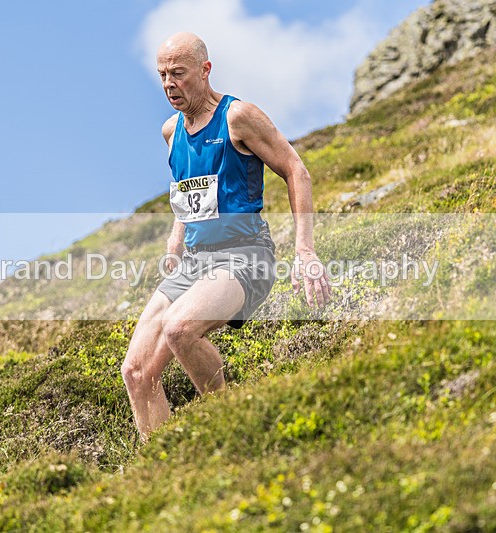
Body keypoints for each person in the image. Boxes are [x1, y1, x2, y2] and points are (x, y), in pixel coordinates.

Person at [121, 32, 330, 441]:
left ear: (205, 70)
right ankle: (164, 470)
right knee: (136, 371)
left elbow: (296, 170)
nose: (169, 84)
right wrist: (173, 245)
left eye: (178, 74)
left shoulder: (238, 117)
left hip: (244, 257)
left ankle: (230, 427)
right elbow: (188, 191)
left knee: (180, 329)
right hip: (196, 262)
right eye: (162, 75)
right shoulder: (171, 131)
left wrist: (304, 249)